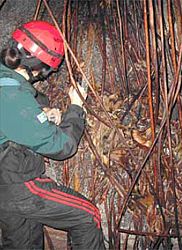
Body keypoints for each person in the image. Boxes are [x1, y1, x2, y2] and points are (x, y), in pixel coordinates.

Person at [0, 20, 106, 249]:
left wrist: (40, 113)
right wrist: (76, 108)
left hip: (4, 191)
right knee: (88, 217)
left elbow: (13, 119)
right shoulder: (14, 97)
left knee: (22, 244)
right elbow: (62, 146)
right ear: (39, 67)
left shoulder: (5, 82)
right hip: (19, 186)